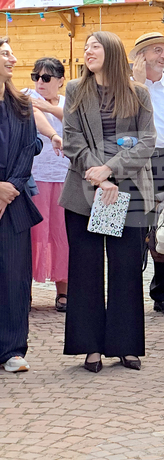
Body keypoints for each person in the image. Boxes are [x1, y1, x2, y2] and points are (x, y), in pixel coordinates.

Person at [60, 31, 155, 373]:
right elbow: (71, 138)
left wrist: (111, 171)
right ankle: (90, 348)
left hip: (125, 193)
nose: (88, 52)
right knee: (85, 271)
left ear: (113, 52)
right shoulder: (74, 89)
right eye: (85, 48)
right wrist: (98, 175)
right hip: (85, 193)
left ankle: (125, 346)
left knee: (126, 269)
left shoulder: (139, 94)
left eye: (95, 47)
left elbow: (147, 142)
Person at [130, 32, 164, 317]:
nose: (163, 56)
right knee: (132, 230)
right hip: (130, 163)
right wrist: (139, 86)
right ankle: (127, 294)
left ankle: (161, 292)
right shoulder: (125, 89)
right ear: (139, 56)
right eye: (156, 51)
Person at [0, 38, 43, 373]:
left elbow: (28, 150)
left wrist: (9, 188)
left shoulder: (22, 107)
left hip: (13, 203)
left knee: (15, 278)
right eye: (4, 54)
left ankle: (12, 349)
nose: (13, 59)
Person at [23, 58, 70, 312]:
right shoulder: (27, 97)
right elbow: (35, 113)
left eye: (47, 78)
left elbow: (75, 119)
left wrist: (50, 109)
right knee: (34, 233)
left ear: (60, 81)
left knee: (61, 233)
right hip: (36, 176)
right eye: (36, 76)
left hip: (64, 176)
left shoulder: (67, 103)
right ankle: (25, 291)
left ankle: (63, 291)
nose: (40, 82)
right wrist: (53, 134)